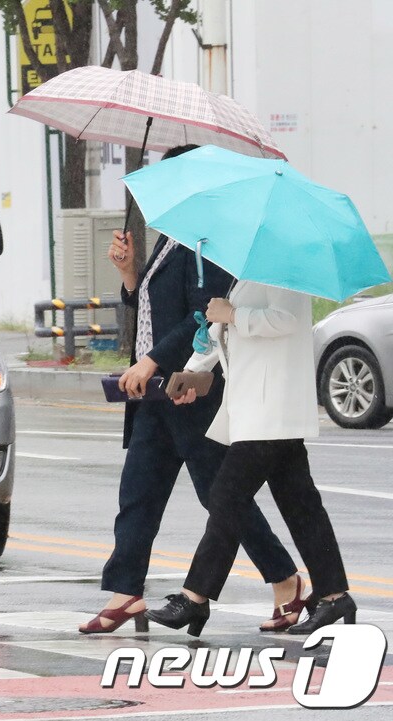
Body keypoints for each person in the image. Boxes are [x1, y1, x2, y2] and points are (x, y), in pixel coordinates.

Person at [81, 144, 300, 635]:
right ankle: (126, 594)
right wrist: (128, 274)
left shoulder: (213, 244)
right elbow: (153, 310)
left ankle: (285, 580)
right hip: (155, 393)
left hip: (191, 390)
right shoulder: (171, 239)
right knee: (137, 491)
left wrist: (153, 359)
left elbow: (203, 315)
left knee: (220, 497)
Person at [147, 282, 354, 637]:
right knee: (301, 505)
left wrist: (234, 314)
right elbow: (221, 332)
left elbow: (285, 319)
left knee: (226, 497)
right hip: (259, 409)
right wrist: (192, 372)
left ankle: (194, 596)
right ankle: (334, 595)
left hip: (270, 407)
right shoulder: (248, 271)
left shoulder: (282, 266)